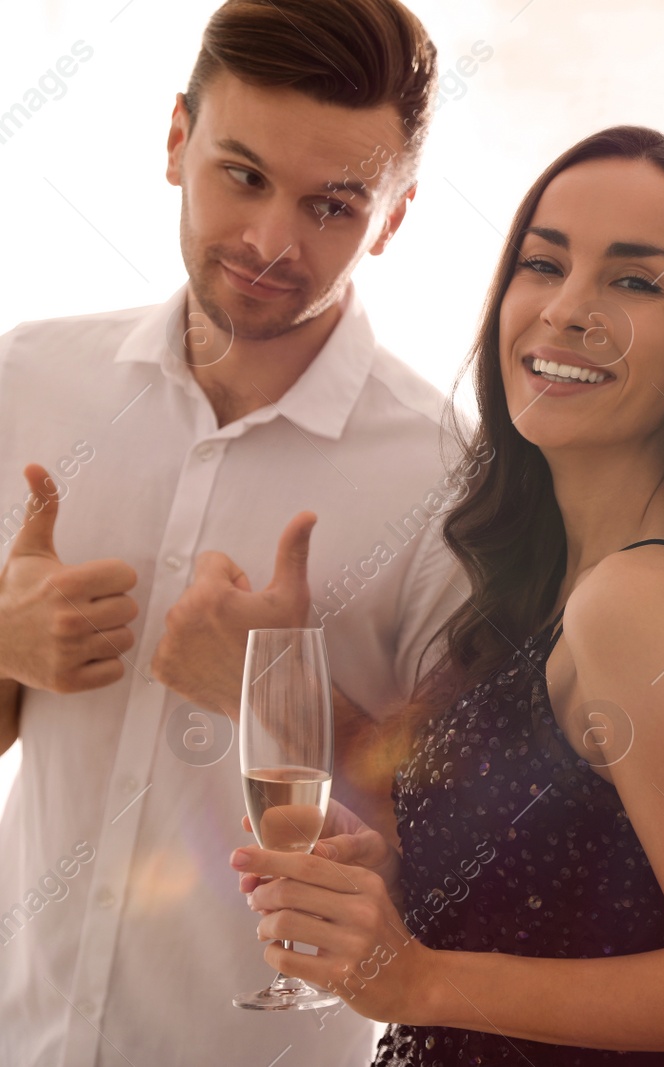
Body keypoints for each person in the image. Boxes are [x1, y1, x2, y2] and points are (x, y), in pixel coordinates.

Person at [232, 126, 664, 1065]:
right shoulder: (552, 580)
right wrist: (405, 884)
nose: (566, 310)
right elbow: (578, 893)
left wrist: (418, 978)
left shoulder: (638, 601)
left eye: (635, 281)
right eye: (542, 262)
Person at [0, 1, 463, 1062]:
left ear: (392, 218)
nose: (269, 241)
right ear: (175, 141)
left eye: (333, 204)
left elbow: (469, 840)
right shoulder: (25, 380)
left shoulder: (450, 479)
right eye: (242, 175)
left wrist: (277, 695)